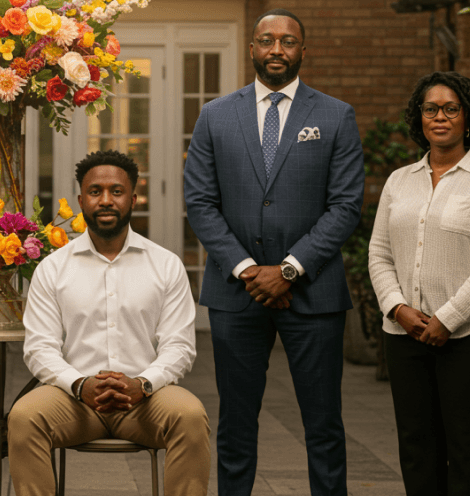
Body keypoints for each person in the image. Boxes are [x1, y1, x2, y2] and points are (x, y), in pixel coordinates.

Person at [183, 9, 365, 496]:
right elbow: (199, 202)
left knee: (324, 425)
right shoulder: (215, 115)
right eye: (267, 41)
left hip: (315, 293)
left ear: (303, 50)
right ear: (252, 49)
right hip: (235, 294)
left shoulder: (334, 115)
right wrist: (248, 271)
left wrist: (288, 269)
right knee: (236, 425)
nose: (277, 50)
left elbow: (346, 206)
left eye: (288, 41)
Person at [9, 150, 211, 496]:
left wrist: (143, 384)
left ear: (133, 198)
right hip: (74, 402)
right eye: (95, 192)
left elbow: (179, 346)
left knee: (190, 415)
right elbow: (40, 347)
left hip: (146, 401)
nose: (106, 200)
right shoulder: (53, 268)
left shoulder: (165, 265)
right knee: (24, 417)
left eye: (116, 192)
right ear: (80, 200)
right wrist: (80, 384)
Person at [368, 71, 470, 496]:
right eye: (431, 109)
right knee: (417, 451)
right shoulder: (400, 181)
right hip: (404, 334)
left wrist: (446, 319)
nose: (440, 117)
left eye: (451, 109)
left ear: (467, 118)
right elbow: (379, 253)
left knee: (469, 454)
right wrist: (398, 309)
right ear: (420, 118)